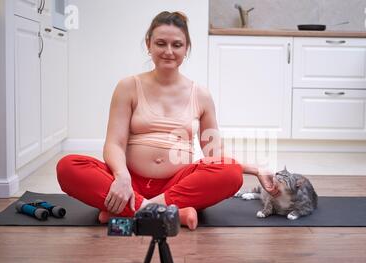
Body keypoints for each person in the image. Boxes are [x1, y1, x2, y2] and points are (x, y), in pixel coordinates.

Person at [56, 11, 278, 231]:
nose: (168, 51)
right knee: (68, 167)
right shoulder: (127, 87)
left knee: (229, 174)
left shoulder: (201, 95)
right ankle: (171, 213)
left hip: (178, 184)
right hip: (129, 181)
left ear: (186, 48)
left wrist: (255, 169)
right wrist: (121, 177)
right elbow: (114, 142)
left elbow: (215, 155)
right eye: (161, 43)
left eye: (177, 45)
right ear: (148, 44)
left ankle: (131, 209)